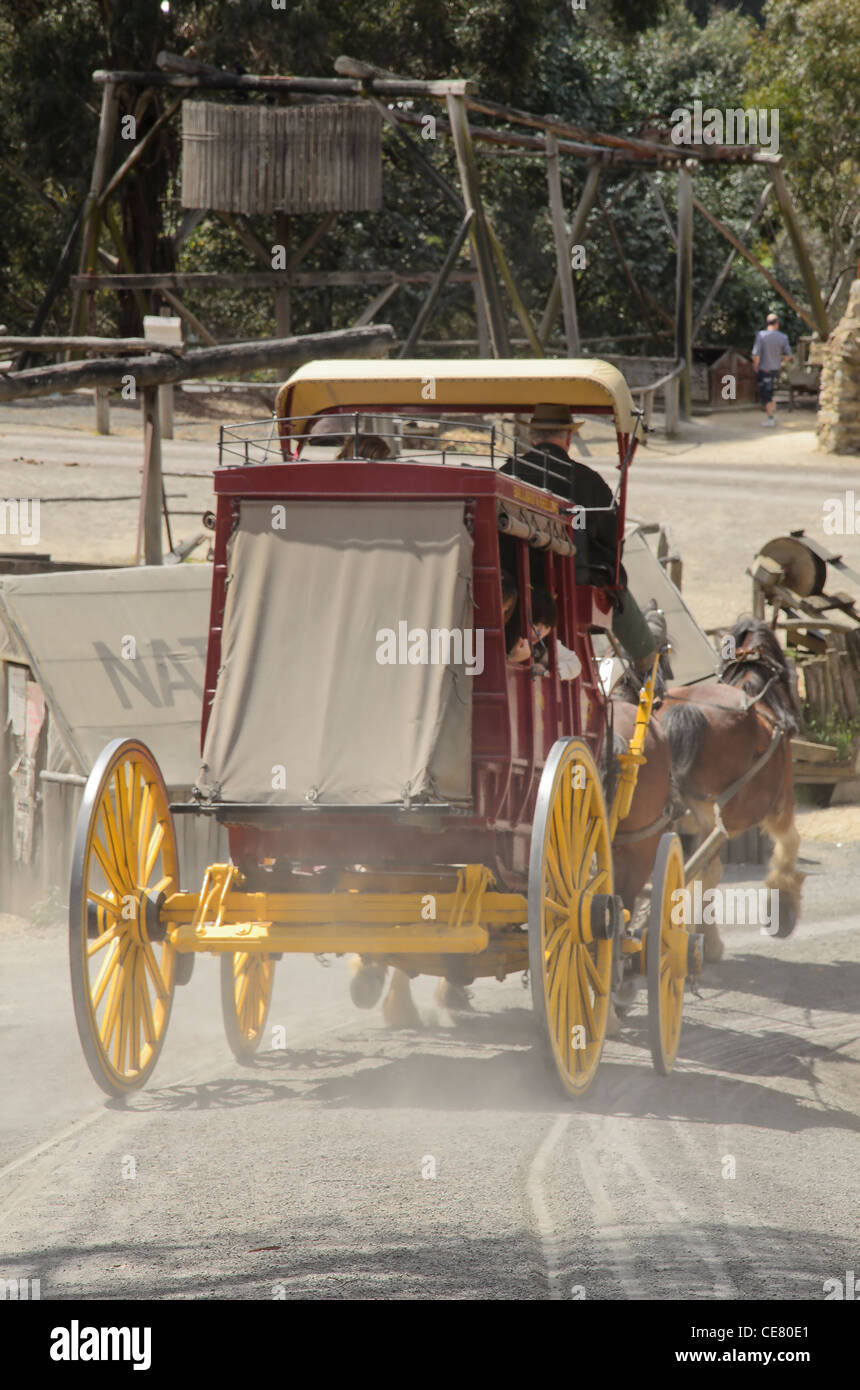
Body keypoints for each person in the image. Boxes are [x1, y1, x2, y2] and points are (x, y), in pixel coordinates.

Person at [502, 404, 657, 677]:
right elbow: (614, 538)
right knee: (616, 582)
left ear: (532, 437)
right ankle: (649, 663)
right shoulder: (588, 481)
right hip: (575, 584)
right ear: (569, 439)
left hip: (512, 586)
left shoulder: (506, 473)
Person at [752, 312, 792, 426]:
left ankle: (770, 418)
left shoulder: (761, 335)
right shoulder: (783, 337)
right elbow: (789, 355)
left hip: (764, 369)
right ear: (777, 323)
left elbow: (756, 355)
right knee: (772, 393)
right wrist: (780, 361)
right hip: (776, 369)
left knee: (766, 395)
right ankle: (772, 415)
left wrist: (755, 366)